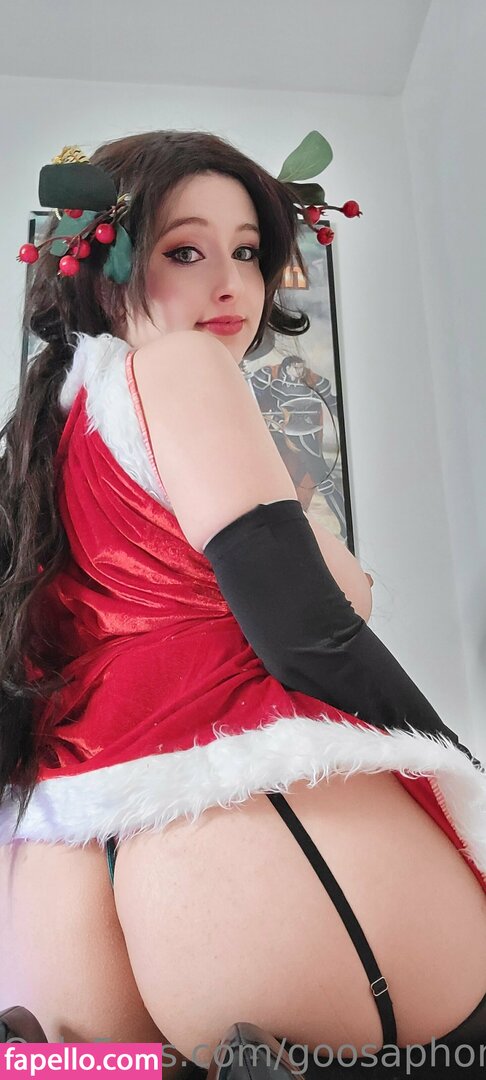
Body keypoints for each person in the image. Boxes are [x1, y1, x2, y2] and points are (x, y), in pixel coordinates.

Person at [1, 129, 486, 1079]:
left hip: (60, 900)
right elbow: (308, 628)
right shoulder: (181, 369)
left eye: (250, 252)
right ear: (106, 267)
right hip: (239, 833)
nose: (231, 284)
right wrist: (449, 768)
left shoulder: (38, 447)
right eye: (186, 251)